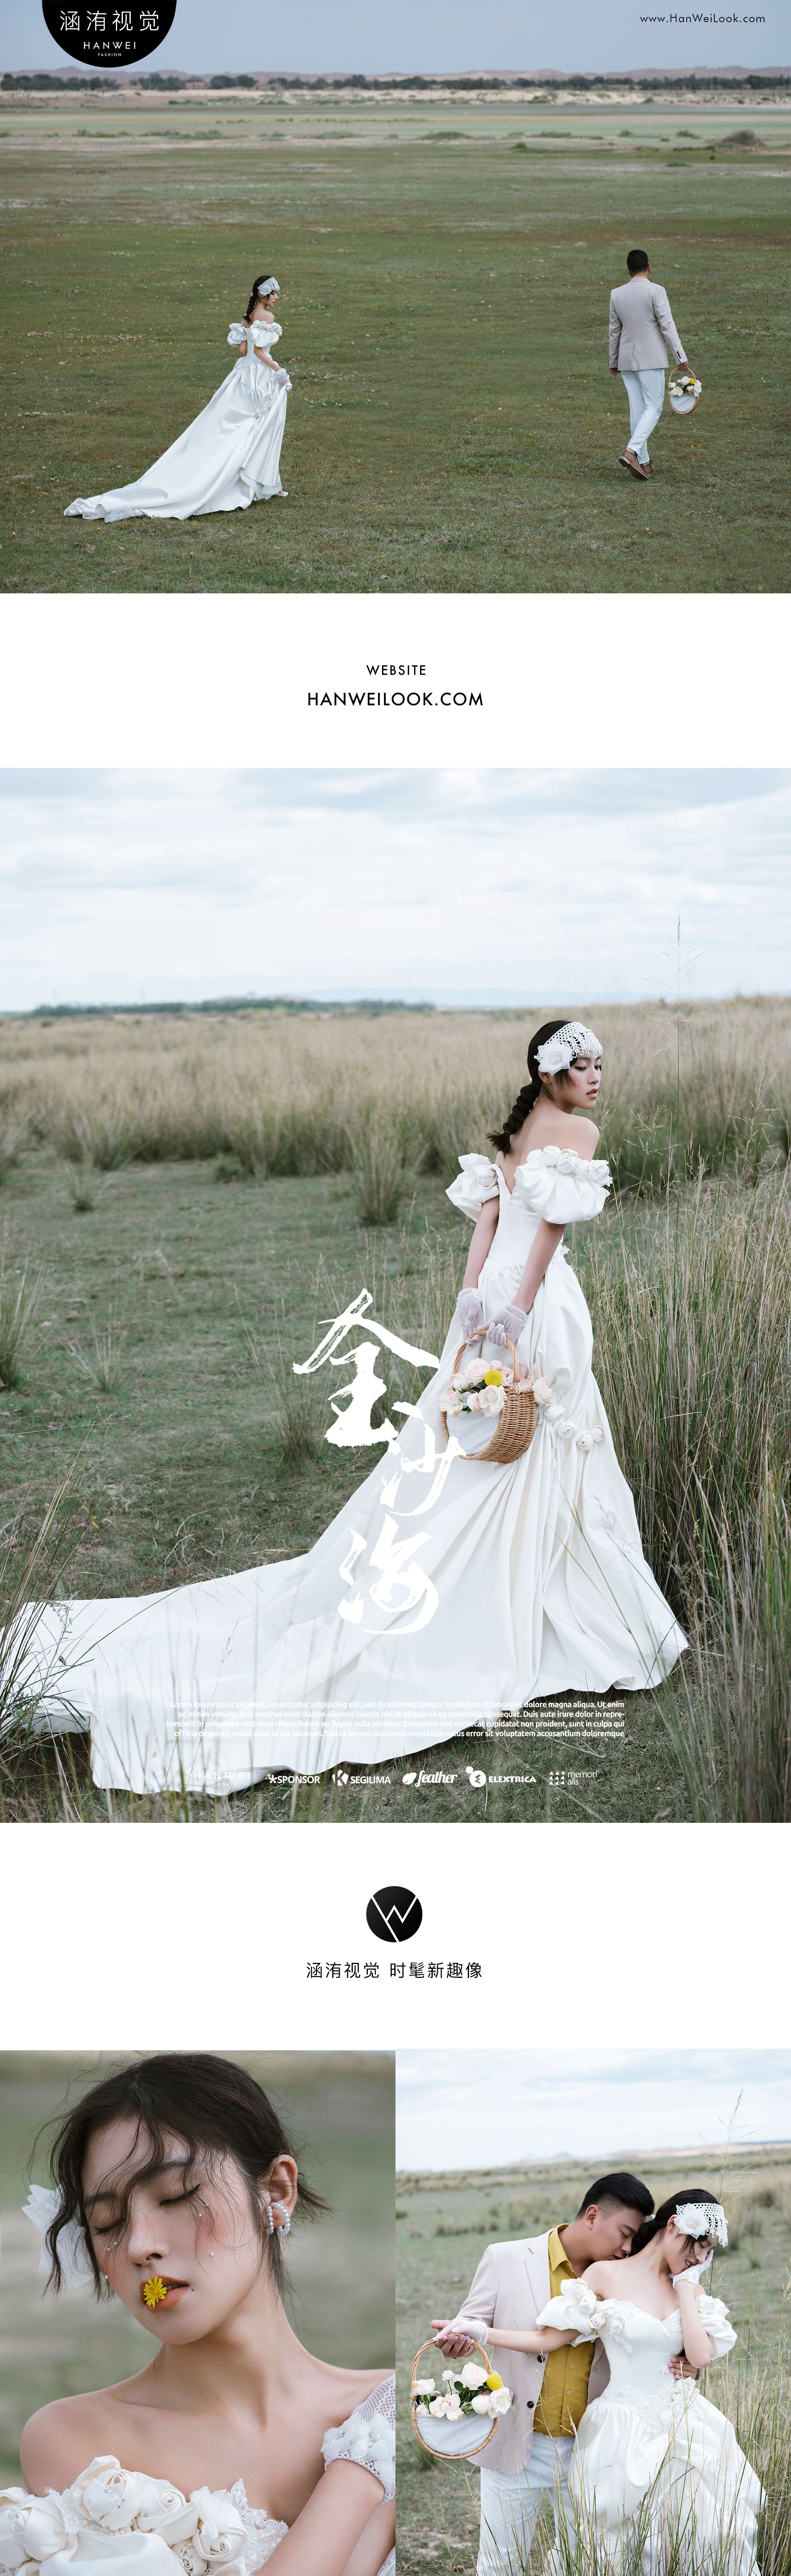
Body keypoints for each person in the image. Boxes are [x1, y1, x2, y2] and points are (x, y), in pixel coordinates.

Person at [20, 1018, 686, 1791]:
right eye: (583, 1064)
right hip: (531, 1304)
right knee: (529, 1438)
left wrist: (471, 1295)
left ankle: (517, 1594)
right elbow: (545, 1233)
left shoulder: (519, 1130)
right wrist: (512, 1308)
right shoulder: (575, 1131)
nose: (597, 1075)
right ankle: (540, 1610)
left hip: (491, 1304)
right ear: (549, 1072)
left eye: (600, 1063)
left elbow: (490, 1222)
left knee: (483, 1437)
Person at [6, 2053, 394, 2576]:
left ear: (276, 2190)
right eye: (108, 2222)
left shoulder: (393, 2404)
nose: (140, 2245)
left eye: (178, 2195)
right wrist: (362, 2471)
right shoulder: (81, 2444)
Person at [437, 2190, 761, 2574]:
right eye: (699, 2246)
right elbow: (548, 2339)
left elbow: (700, 2356)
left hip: (683, 2428)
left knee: (704, 2535)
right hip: (619, 2428)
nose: (700, 2259)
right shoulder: (604, 2274)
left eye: (709, 2252)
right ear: (674, 2225)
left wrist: (686, 2289)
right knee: (617, 2545)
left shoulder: (690, 2290)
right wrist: (482, 2332)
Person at [64, 274, 290, 523]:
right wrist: (278, 370)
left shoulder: (248, 317)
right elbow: (257, 351)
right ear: (262, 294)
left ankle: (265, 482)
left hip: (243, 377)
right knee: (261, 428)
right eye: (274, 293)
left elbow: (243, 350)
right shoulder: (268, 318)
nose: (277, 297)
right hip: (259, 378)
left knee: (239, 428)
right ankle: (260, 481)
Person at [608, 248, 691, 480]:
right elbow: (667, 326)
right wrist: (680, 356)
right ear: (649, 267)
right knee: (654, 408)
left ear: (628, 270)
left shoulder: (617, 294)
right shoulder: (657, 291)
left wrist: (613, 360)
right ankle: (631, 451)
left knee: (638, 410)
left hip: (626, 361)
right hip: (650, 360)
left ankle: (644, 463)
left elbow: (614, 331)